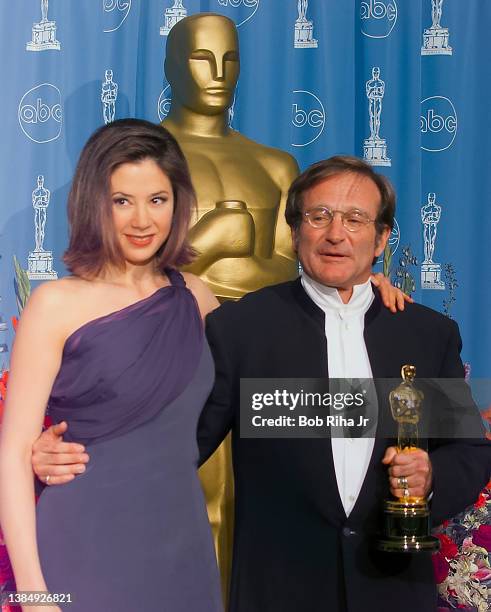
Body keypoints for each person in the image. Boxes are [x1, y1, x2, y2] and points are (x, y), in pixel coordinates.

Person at [30, 157, 452, 612]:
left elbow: (467, 449)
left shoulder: (427, 334)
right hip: (277, 591)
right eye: (318, 216)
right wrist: (67, 455)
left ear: (381, 238)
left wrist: (432, 481)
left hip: (394, 591)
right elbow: (174, 440)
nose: (336, 234)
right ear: (294, 232)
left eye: (355, 219)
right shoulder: (239, 329)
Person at [0, 119, 223, 611]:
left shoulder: (197, 299)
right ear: (93, 203)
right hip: (85, 543)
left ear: (178, 203)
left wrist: (362, 292)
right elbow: (14, 453)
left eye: (157, 200)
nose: (142, 220)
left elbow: (283, 337)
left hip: (184, 550)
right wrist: (36, 594)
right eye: (122, 200)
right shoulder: (55, 303)